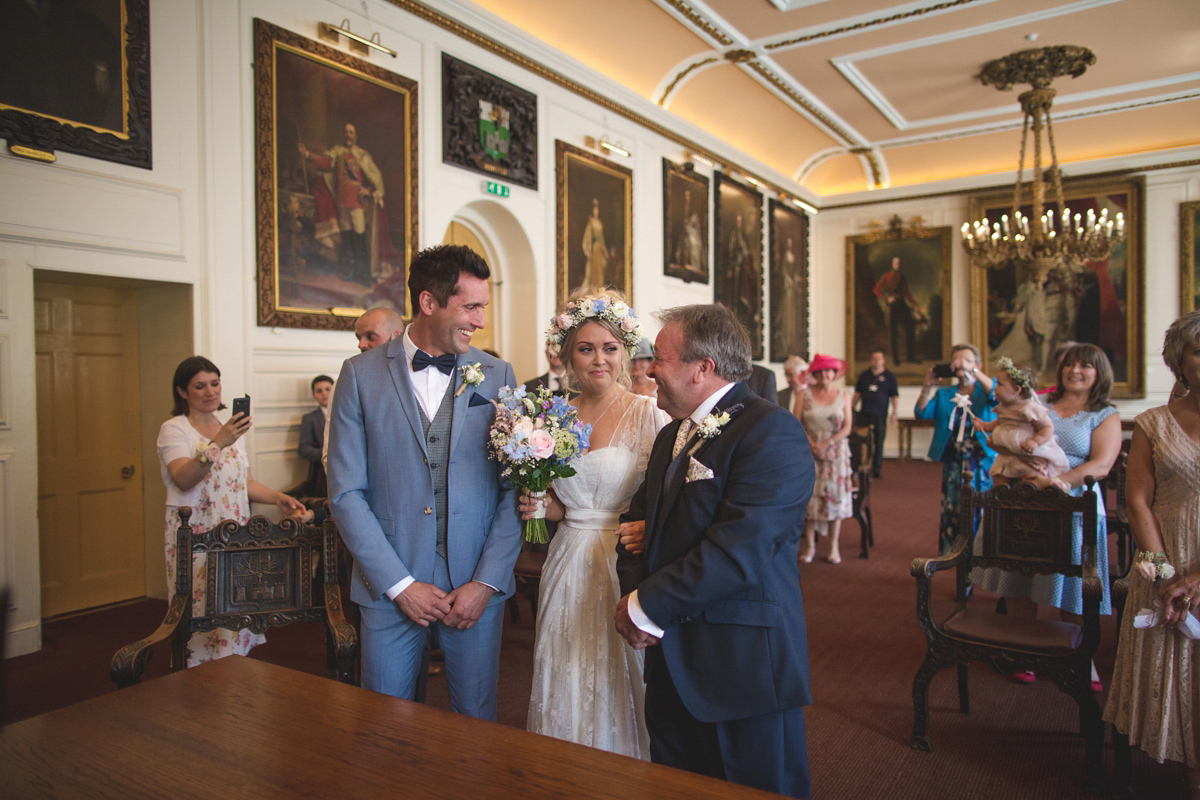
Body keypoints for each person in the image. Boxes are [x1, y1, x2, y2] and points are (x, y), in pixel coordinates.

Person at [614, 303, 816, 799]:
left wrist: (643, 607)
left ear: (702, 368)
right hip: (669, 656)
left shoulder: (771, 432)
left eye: (660, 358)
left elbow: (737, 552)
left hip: (739, 665)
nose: (647, 368)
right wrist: (643, 602)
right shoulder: (669, 436)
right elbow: (633, 526)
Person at [328, 244, 521, 719]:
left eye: (483, 307)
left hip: (474, 582)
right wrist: (399, 584)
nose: (480, 321)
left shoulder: (498, 374)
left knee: (476, 721)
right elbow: (346, 493)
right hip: (390, 584)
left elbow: (516, 491)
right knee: (385, 723)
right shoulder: (359, 375)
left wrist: (486, 583)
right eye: (470, 307)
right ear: (429, 302)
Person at [519, 290, 668, 758]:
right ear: (567, 356)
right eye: (586, 349)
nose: (598, 359)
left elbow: (672, 494)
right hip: (567, 558)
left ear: (625, 352)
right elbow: (566, 505)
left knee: (618, 666)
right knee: (566, 663)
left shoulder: (649, 415)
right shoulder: (552, 417)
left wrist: (652, 527)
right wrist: (540, 508)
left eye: (609, 348)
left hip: (623, 558)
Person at [971, 343, 1120, 688]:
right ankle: (1022, 651)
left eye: (1085, 365)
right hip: (1023, 493)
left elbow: (1101, 464)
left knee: (1075, 582)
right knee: (1020, 572)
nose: (1075, 370)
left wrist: (1055, 482)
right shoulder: (1041, 403)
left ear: (1100, 373)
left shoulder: (1104, 414)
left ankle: (1081, 658)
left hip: (1073, 499)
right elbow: (1007, 428)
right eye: (1069, 364)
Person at [1104, 312, 1200, 796]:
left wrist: (1197, 578)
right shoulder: (1153, 423)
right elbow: (1136, 500)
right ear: (1179, 362)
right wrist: (1167, 575)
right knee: (1183, 680)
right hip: (1164, 558)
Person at [157, 356, 306, 666]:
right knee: (200, 605)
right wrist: (218, 441)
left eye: (215, 383)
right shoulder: (174, 429)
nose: (211, 391)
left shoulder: (231, 430)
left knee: (234, 602)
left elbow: (244, 481)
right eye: (200, 386)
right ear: (183, 392)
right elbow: (184, 478)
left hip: (234, 532)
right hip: (196, 532)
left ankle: (232, 671)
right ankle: (194, 679)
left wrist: (276, 497)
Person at [915, 343, 996, 554]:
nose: (962, 367)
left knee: (981, 506)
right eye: (957, 363)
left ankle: (982, 552)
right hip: (953, 462)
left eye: (967, 362)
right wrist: (927, 387)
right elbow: (921, 413)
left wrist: (974, 371)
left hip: (981, 462)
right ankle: (956, 552)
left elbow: (996, 394)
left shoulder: (984, 391)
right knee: (954, 507)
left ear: (977, 364)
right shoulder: (945, 393)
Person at [297, 122, 390, 285]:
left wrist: (369, 191)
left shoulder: (362, 155)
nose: (348, 135)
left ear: (356, 136)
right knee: (347, 240)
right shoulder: (337, 153)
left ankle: (365, 275)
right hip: (342, 201)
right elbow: (325, 162)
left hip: (356, 202)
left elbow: (374, 177)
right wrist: (307, 154)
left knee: (360, 238)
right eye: (346, 132)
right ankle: (351, 272)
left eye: (351, 132)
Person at [321, 307, 405, 477]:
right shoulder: (346, 382)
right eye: (359, 338)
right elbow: (332, 451)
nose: (361, 344)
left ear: (397, 336)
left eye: (370, 336)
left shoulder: (419, 377)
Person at [970, 358, 1068, 486]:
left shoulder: (1030, 408)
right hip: (1007, 454)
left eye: (999, 384)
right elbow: (998, 423)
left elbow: (1047, 428)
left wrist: (1035, 441)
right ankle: (1001, 500)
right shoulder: (1003, 407)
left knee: (1030, 480)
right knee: (998, 476)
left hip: (1029, 454)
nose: (995, 387)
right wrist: (983, 425)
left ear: (1017, 390)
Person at [799, 354, 854, 565]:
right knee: (810, 499)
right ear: (814, 374)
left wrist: (826, 444)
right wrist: (813, 444)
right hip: (809, 451)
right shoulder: (804, 395)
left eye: (829, 371)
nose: (824, 374)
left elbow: (847, 427)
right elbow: (796, 422)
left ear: (835, 374)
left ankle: (833, 547)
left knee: (835, 499)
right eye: (820, 371)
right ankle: (811, 546)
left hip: (836, 454)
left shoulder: (844, 395)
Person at [852, 350, 898, 478]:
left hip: (880, 414)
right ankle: (860, 467)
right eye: (874, 358)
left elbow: (894, 396)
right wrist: (851, 408)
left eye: (879, 359)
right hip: (864, 413)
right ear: (871, 360)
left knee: (879, 441)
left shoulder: (889, 376)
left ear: (883, 360)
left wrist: (895, 412)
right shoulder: (864, 375)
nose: (876, 361)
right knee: (860, 441)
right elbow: (857, 393)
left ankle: (877, 469)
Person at [873, 256, 919, 364]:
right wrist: (886, 298)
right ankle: (895, 359)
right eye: (895, 263)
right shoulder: (886, 276)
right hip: (892, 306)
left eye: (899, 263)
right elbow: (876, 290)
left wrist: (915, 304)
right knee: (893, 332)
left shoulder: (903, 278)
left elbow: (907, 294)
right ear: (892, 264)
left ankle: (910, 357)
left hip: (902, 305)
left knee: (909, 328)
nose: (897, 265)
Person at [297, 375, 333, 498]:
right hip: (322, 475)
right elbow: (303, 449)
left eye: (328, 389)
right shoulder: (309, 418)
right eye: (319, 391)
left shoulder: (346, 413)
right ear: (314, 395)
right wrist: (328, 454)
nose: (324, 394)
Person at [582, 197, 609, 288]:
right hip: (593, 250)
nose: (596, 211)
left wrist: (604, 250)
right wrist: (588, 251)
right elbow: (588, 237)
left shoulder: (600, 223)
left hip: (599, 250)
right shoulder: (591, 222)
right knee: (592, 273)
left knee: (600, 272)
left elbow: (601, 239)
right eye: (594, 210)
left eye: (597, 210)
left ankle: (599, 289)